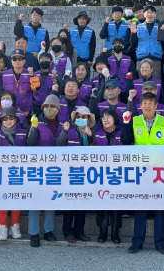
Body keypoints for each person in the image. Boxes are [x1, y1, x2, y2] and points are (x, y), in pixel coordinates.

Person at [121, 92, 164, 255]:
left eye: (150, 103)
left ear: (156, 105)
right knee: (141, 207)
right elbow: (126, 141)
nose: (146, 106)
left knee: (159, 208)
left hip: (159, 171)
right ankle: (137, 242)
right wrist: (125, 124)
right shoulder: (135, 120)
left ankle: (161, 243)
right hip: (141, 171)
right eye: (144, 103)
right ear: (140, 105)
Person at [26, 95, 67, 247]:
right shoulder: (37, 121)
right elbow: (30, 143)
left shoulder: (63, 123)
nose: (49, 109)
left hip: (55, 169)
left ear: (58, 109)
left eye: (52, 107)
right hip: (38, 168)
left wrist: (65, 132)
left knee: (52, 199)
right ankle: (34, 233)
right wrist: (33, 128)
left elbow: (62, 145)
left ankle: (48, 231)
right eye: (46, 107)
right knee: (35, 201)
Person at [0, 108, 26, 241]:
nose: (8, 121)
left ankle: (15, 226)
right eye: (5, 119)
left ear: (15, 120)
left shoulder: (23, 133)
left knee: (17, 199)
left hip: (18, 173)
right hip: (1, 173)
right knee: (2, 199)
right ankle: (2, 227)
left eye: (11, 118)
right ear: (1, 121)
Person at [59, 106, 95, 242]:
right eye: (78, 117)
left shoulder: (92, 132)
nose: (81, 119)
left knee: (82, 203)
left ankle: (79, 231)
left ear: (88, 119)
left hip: (86, 173)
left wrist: (90, 137)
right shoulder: (70, 131)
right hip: (71, 172)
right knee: (69, 203)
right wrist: (64, 131)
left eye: (84, 117)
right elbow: (59, 145)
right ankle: (67, 232)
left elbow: (97, 152)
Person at [93, 109, 123, 243]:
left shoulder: (123, 134)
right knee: (102, 204)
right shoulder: (97, 134)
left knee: (117, 205)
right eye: (103, 118)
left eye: (108, 117)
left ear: (115, 118)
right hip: (101, 174)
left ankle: (115, 232)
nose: (105, 119)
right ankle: (103, 231)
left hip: (118, 174)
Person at [129, 6, 164, 80]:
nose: (150, 14)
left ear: (155, 15)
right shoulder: (138, 26)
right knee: (141, 82)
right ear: (144, 14)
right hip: (141, 57)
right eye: (147, 12)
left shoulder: (160, 26)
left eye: (152, 12)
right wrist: (133, 34)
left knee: (156, 82)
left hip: (156, 58)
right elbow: (133, 44)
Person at [2, 49, 40, 116]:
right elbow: (1, 92)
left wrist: (32, 76)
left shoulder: (30, 74)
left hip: (26, 111)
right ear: (11, 61)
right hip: (10, 110)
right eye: (14, 59)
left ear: (24, 61)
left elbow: (35, 89)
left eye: (20, 59)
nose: (17, 61)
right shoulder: (4, 74)